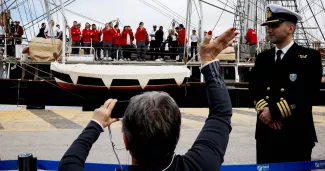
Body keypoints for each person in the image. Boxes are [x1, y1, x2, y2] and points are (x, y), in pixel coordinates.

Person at [58, 28, 237, 171]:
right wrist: (209, 59)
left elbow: (68, 164)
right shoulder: (201, 165)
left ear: (126, 141)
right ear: (178, 136)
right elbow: (221, 115)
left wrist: (95, 125)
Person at [249, 4, 322, 167]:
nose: (269, 30)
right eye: (268, 26)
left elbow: (309, 93)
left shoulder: (309, 57)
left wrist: (274, 112)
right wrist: (264, 112)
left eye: (274, 25)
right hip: (266, 133)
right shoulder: (263, 58)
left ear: (290, 28)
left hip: (296, 134)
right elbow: (253, 88)